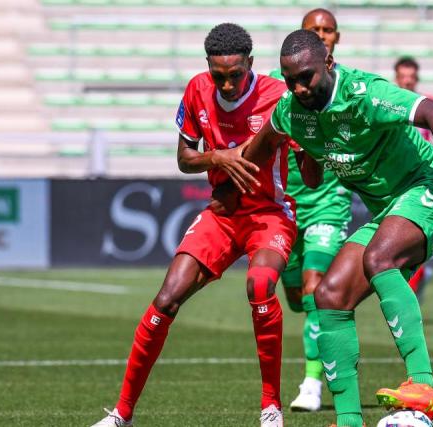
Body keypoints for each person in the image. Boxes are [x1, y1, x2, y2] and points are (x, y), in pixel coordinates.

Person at [237, 29, 433, 427]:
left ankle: (422, 384)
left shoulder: (365, 92)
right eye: (291, 80)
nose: (299, 88)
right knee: (330, 295)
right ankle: (350, 420)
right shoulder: (291, 111)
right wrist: (225, 160)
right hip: (388, 209)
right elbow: (261, 154)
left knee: (379, 257)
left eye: (307, 77)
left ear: (328, 64)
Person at [90, 23, 309, 427]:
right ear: (208, 69)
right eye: (218, 76)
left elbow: (308, 166)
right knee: (166, 299)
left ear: (251, 65)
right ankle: (122, 414)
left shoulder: (278, 95)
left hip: (269, 213)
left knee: (259, 284)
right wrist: (219, 158)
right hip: (222, 216)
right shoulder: (196, 90)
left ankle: (270, 407)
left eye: (235, 75)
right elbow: (185, 157)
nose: (226, 84)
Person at [270, 8, 353, 413]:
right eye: (314, 30)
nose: (323, 34)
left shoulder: (348, 87)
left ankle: (312, 384)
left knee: (315, 288)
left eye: (328, 30)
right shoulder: (282, 92)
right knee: (296, 298)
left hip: (329, 201)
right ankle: (326, 345)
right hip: (286, 204)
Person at [393, 56, 433, 301]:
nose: (408, 82)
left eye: (412, 78)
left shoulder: (427, 106)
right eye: (403, 77)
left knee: (413, 239)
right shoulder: (386, 104)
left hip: (419, 182)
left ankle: (408, 292)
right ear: (396, 78)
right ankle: (417, 275)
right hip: (393, 183)